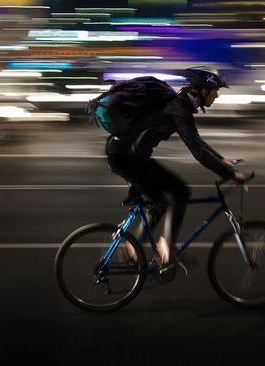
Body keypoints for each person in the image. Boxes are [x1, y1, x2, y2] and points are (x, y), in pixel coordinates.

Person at [105, 66, 246, 270]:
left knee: (159, 202)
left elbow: (197, 142)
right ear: (203, 89)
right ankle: (166, 248)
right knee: (180, 191)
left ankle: (133, 247)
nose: (216, 95)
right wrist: (230, 174)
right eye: (215, 90)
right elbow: (197, 151)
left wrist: (222, 160)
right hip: (127, 157)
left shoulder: (179, 106)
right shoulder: (179, 109)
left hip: (125, 154)